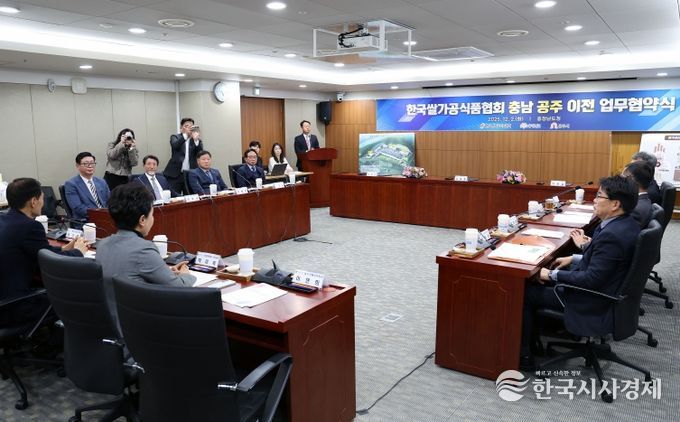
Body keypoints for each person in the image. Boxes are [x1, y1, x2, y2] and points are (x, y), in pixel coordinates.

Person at [520, 175, 640, 370]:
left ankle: (525, 355)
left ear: (615, 204)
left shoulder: (612, 235)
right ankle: (536, 341)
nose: (594, 200)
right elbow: (606, 262)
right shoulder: (626, 224)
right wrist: (574, 258)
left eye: (599, 196)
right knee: (545, 273)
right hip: (609, 289)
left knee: (524, 291)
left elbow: (591, 279)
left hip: (591, 298)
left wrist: (550, 275)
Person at [96, 183, 195, 333]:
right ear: (142, 220)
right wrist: (185, 275)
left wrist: (166, 272)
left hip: (110, 325)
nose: (152, 219)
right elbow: (179, 289)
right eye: (152, 214)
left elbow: (131, 272)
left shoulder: (102, 244)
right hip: (138, 331)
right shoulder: (143, 249)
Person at [0, 178, 88, 326]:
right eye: (42, 198)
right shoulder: (30, 226)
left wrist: (63, 248)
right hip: (14, 307)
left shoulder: (4, 220)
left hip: (4, 298)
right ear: (33, 202)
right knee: (76, 297)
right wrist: (78, 252)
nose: (43, 202)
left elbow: (40, 250)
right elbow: (51, 263)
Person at [64, 152, 111, 222]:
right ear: (78, 166)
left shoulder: (101, 182)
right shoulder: (71, 184)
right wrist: (100, 215)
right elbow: (78, 208)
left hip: (106, 218)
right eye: (86, 163)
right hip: (86, 220)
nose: (90, 166)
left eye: (92, 163)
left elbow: (110, 201)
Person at [163, 118, 203, 195]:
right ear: (181, 128)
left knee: (191, 196)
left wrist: (196, 140)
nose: (189, 128)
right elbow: (175, 145)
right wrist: (185, 135)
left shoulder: (196, 140)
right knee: (175, 197)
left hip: (189, 174)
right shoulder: (175, 137)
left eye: (191, 126)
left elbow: (200, 154)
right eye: (186, 126)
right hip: (175, 174)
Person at [622, 160, 654, 228]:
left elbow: (620, 231)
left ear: (630, 179)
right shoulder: (643, 200)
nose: (621, 182)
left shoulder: (636, 209)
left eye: (623, 178)